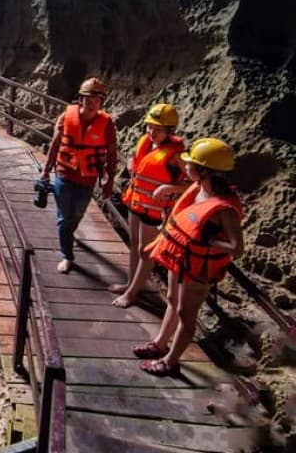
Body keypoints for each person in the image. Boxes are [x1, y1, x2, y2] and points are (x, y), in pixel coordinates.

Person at [134, 138, 244, 377]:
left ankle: (170, 361)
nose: (186, 166)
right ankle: (160, 343)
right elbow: (190, 196)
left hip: (199, 267)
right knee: (173, 298)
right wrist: (171, 189)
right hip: (182, 257)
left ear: (204, 170)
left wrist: (209, 240)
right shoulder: (200, 187)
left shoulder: (225, 208)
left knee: (186, 314)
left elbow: (237, 248)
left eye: (191, 164)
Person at [110, 103, 189, 307]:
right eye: (149, 127)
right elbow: (136, 158)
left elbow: (195, 183)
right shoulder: (146, 141)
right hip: (137, 201)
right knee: (135, 243)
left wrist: (169, 189)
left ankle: (133, 293)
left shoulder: (176, 155)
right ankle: (132, 282)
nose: (152, 132)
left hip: (155, 209)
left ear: (170, 131)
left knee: (146, 251)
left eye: (158, 129)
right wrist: (130, 163)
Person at [41, 77, 118, 273]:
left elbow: (111, 154)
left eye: (97, 100)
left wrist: (109, 181)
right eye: (88, 99)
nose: (92, 104)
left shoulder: (106, 123)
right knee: (65, 217)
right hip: (64, 174)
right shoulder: (67, 116)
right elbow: (56, 144)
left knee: (76, 215)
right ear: (80, 100)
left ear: (101, 102)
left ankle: (68, 236)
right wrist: (46, 169)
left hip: (88, 178)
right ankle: (67, 254)